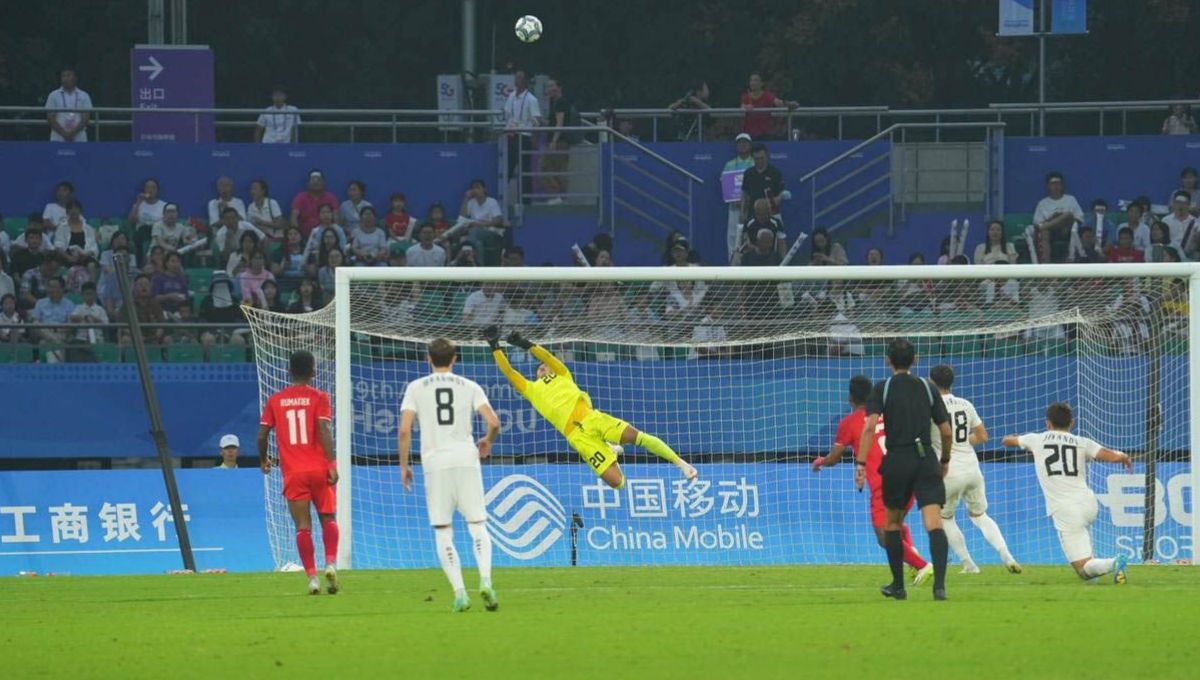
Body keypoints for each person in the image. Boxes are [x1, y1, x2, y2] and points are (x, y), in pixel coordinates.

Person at [485, 327, 697, 489]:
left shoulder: (562, 374)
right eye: (539, 368)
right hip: (577, 437)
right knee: (618, 483)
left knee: (636, 436)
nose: (542, 367)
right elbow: (510, 373)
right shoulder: (531, 389)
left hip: (592, 418)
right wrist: (495, 346)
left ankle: (680, 463)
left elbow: (548, 357)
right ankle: (607, 448)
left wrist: (525, 343)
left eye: (544, 366)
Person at [398, 337, 502, 612]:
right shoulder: (469, 386)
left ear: (428, 358)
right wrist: (487, 441)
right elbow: (493, 422)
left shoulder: (415, 388)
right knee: (478, 525)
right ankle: (486, 582)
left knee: (444, 531)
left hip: (436, 463)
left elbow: (404, 430)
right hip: (467, 459)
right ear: (454, 358)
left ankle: (459, 593)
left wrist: (404, 466)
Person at [812, 375, 933, 587]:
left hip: (885, 482)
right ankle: (912, 556)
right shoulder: (890, 413)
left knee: (884, 536)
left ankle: (921, 564)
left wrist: (821, 461)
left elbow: (834, 457)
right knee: (896, 525)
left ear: (850, 398)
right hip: (911, 473)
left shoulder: (849, 423)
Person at [857, 338, 953, 601]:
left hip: (897, 460)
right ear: (916, 360)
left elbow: (869, 426)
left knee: (892, 524)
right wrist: (944, 459)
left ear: (888, 360)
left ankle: (899, 586)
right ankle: (940, 588)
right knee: (934, 524)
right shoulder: (928, 387)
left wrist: (861, 464)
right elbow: (945, 431)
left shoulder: (883, 388)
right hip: (925, 460)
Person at [1002, 402, 1133, 583]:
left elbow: (1007, 441)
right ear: (1071, 423)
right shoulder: (1081, 442)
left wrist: (1016, 438)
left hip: (1066, 509)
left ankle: (1114, 562)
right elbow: (1109, 455)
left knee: (1083, 570)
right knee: (1085, 551)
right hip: (1088, 502)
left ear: (1048, 423)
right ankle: (1096, 570)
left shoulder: (1036, 439)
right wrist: (1124, 456)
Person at [257, 350, 339, 595]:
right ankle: (331, 563)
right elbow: (323, 429)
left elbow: (262, 435)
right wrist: (332, 463)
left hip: (293, 472)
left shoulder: (275, 400)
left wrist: (264, 460)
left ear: (289, 371)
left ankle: (313, 578)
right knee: (328, 518)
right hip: (319, 469)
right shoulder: (320, 396)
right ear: (313, 371)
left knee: (303, 526)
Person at [927, 364, 1020, 574]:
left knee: (944, 518)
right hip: (972, 468)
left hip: (947, 469)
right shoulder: (965, 404)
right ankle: (1007, 556)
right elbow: (983, 436)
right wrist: (962, 444)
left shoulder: (930, 405)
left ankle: (969, 564)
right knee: (980, 515)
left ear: (931, 382)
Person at [502, 70, 543, 202]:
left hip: (524, 136)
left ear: (525, 81)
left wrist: (535, 138)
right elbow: (507, 114)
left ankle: (526, 201)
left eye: (519, 77)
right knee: (507, 168)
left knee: (524, 169)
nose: (516, 80)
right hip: (511, 135)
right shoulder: (512, 96)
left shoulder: (532, 99)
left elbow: (537, 121)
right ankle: (502, 199)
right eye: (516, 77)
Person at [542, 78, 580, 203]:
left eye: (552, 86)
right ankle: (561, 197)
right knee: (558, 169)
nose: (549, 89)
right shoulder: (557, 103)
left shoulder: (560, 102)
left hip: (558, 142)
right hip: (561, 141)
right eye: (548, 86)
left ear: (559, 87)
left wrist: (553, 140)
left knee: (546, 167)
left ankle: (556, 196)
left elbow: (560, 122)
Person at [1032, 171, 1084, 264]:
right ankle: (1046, 265)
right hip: (1051, 231)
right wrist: (1053, 218)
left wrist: (1062, 219)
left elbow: (1079, 218)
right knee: (1044, 231)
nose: (1056, 186)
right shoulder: (1042, 203)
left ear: (1062, 185)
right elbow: (1037, 223)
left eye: (1058, 183)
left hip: (1067, 230)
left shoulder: (1070, 199)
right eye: (1053, 183)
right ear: (1048, 186)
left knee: (1068, 214)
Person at [723, 133, 756, 259]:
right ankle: (732, 261)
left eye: (745, 142)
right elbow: (725, 184)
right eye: (740, 142)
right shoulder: (730, 164)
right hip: (734, 206)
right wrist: (734, 200)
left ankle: (750, 261)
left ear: (750, 145)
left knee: (750, 234)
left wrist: (748, 202)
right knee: (732, 235)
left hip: (751, 207)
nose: (742, 145)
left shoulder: (754, 163)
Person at [740, 73, 797, 140]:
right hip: (748, 134)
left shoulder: (767, 95)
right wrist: (745, 107)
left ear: (761, 83)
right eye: (751, 80)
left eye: (755, 80)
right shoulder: (745, 96)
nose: (753, 83)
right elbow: (742, 107)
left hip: (764, 133)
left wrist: (790, 104)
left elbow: (778, 103)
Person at [740, 144, 784, 224]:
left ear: (767, 156)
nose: (760, 161)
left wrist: (770, 204)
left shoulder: (775, 173)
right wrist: (742, 212)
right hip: (753, 214)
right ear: (752, 158)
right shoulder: (748, 173)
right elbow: (745, 194)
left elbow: (781, 194)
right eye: (757, 159)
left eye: (762, 158)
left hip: (772, 214)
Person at [45, 68, 92, 143]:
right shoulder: (53, 95)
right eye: (63, 76)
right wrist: (64, 134)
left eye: (68, 75)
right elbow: (50, 118)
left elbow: (86, 118)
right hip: (57, 137)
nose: (65, 78)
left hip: (79, 138)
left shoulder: (84, 95)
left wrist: (72, 133)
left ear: (75, 78)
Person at [290, 170, 339, 236]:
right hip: (304, 237)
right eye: (313, 180)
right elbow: (294, 218)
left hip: (326, 237)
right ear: (307, 184)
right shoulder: (300, 197)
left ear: (324, 183)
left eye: (318, 180)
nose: (316, 183)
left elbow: (336, 219)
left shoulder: (331, 198)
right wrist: (297, 235)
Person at [128, 178, 166, 259]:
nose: (150, 190)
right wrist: (138, 203)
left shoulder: (163, 205)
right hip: (141, 233)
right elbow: (131, 221)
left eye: (153, 187)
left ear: (157, 190)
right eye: (148, 187)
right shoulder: (139, 204)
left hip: (158, 233)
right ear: (144, 189)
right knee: (143, 231)